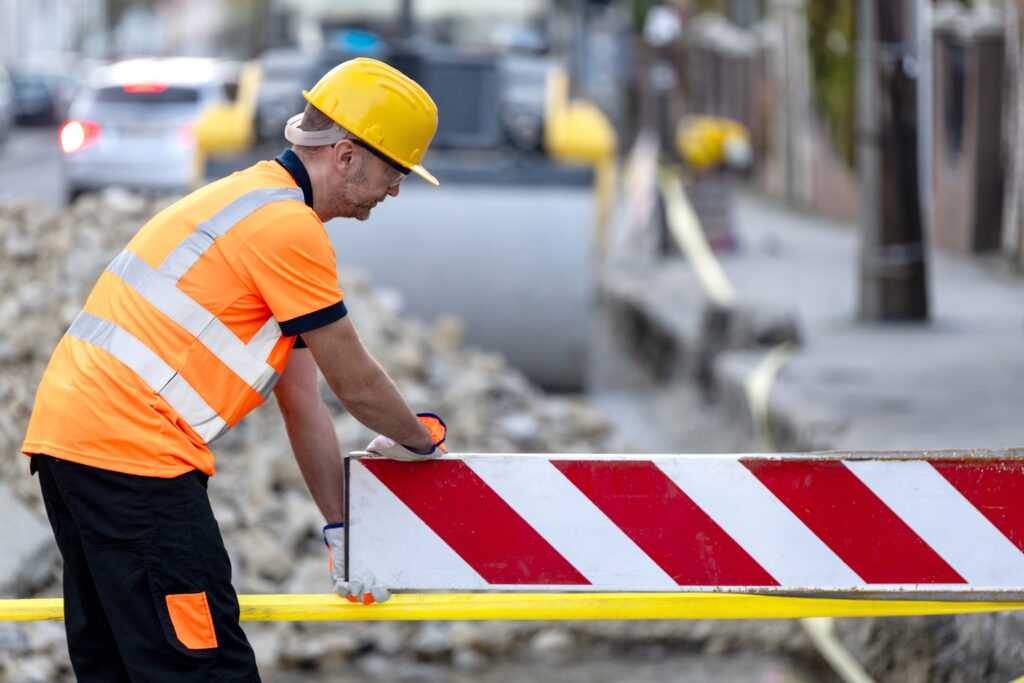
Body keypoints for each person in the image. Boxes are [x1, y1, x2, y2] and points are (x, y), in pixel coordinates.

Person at [20, 57, 447, 682]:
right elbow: (354, 382)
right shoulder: (288, 228)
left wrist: (339, 533)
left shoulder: (250, 200)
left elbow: (304, 403)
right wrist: (420, 440)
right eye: (395, 169)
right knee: (204, 667)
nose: (396, 189)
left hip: (72, 446)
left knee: (116, 665)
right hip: (134, 456)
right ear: (347, 156)